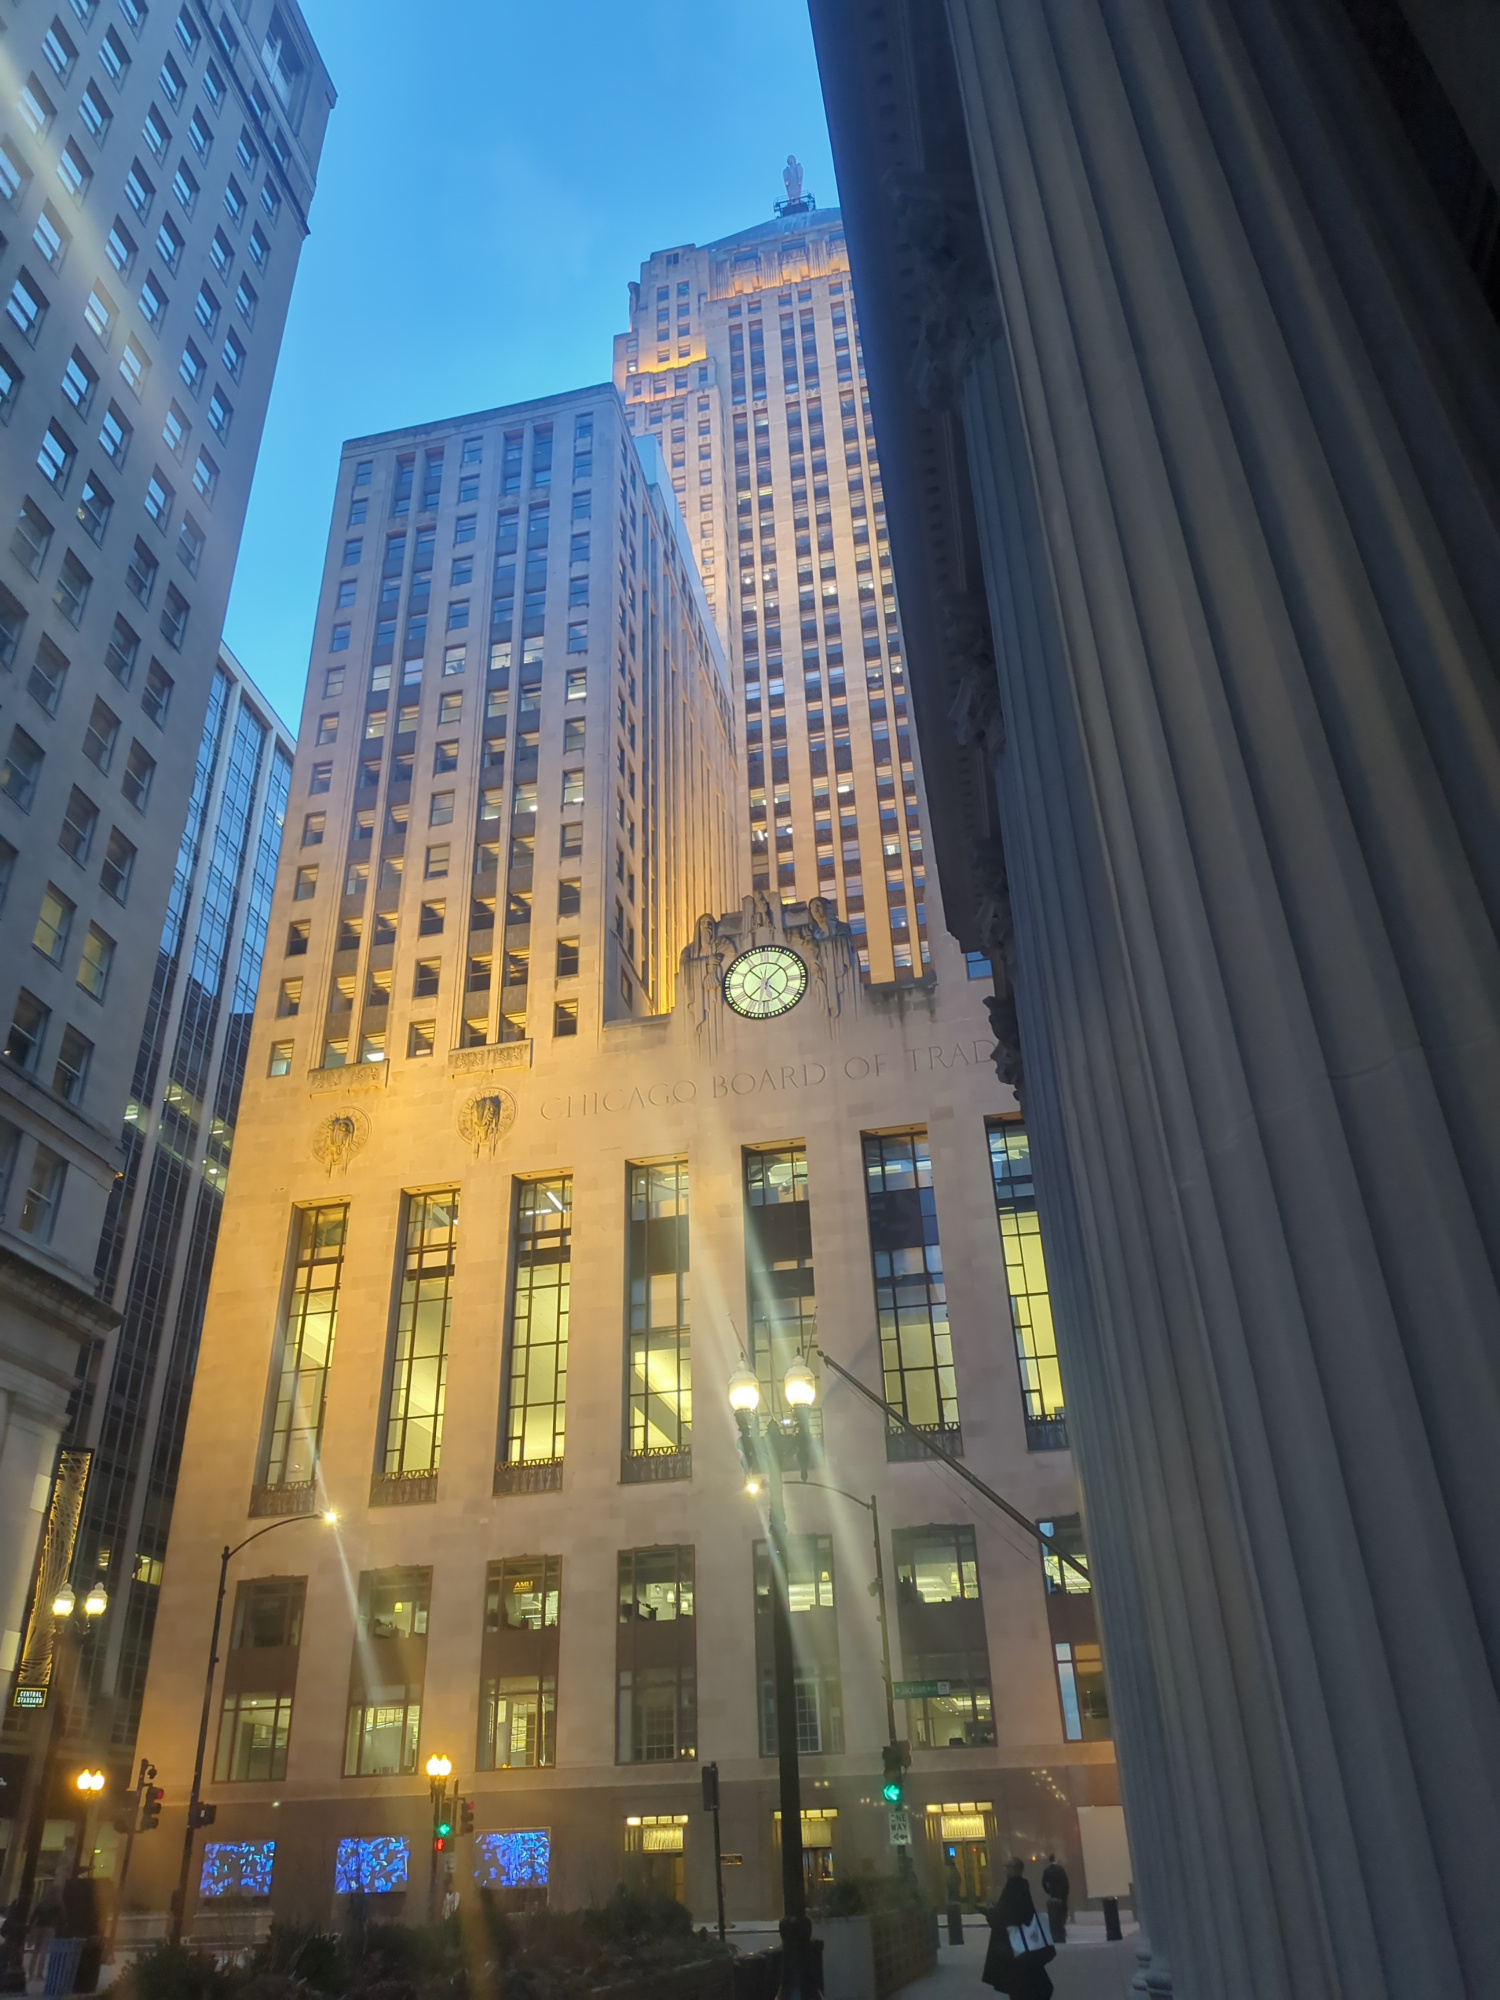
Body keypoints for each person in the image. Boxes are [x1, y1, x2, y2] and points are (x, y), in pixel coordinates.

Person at [981, 1858, 1056, 1998]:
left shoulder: (1014, 1888)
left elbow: (1010, 1913)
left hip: (1015, 1942)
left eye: (1008, 1867)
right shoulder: (1020, 1886)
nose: (1006, 1870)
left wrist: (991, 1914)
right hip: (1020, 1942)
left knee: (1019, 1980)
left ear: (1016, 1869)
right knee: (1028, 1976)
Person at [1041, 1853, 1070, 1944]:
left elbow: (1043, 1883)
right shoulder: (1060, 1869)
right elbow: (1066, 1883)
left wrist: (1048, 1891)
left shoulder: (1047, 1871)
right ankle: (1061, 1929)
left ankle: (1055, 1933)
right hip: (1061, 1895)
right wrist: (1065, 1894)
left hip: (1053, 1895)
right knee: (1062, 1913)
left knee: (1053, 1915)